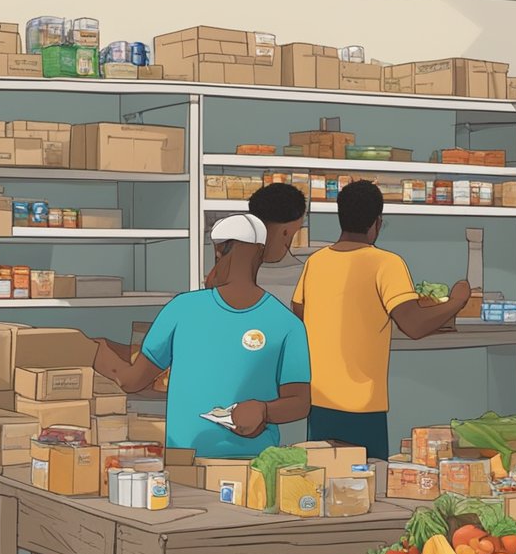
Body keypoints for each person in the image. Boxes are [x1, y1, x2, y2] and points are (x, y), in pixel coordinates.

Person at [93, 213, 311, 458]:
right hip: (247, 464)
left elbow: (132, 381)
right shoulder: (287, 322)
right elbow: (299, 402)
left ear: (218, 251)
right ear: (261, 254)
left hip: (196, 462)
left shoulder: (182, 308)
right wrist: (265, 410)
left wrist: (94, 352)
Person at [292, 180, 468, 460]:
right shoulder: (386, 263)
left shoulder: (317, 261)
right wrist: (458, 301)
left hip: (319, 400)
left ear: (340, 217)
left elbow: (298, 312)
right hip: (362, 405)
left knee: (324, 479)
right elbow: (414, 325)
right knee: (366, 484)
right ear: (377, 222)